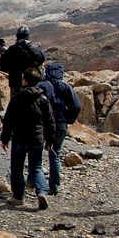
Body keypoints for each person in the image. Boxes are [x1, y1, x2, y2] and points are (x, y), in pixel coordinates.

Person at [1, 68, 56, 210]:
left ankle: (18, 197)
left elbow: (9, 120)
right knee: (36, 167)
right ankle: (42, 192)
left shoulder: (17, 98)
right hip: (37, 138)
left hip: (20, 138)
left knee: (17, 168)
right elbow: (49, 121)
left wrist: (5, 138)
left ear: (24, 80)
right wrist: (50, 139)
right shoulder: (43, 99)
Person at [36, 62, 82, 195]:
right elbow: (77, 106)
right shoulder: (66, 87)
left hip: (42, 123)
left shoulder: (42, 86)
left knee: (37, 152)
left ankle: (36, 183)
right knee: (55, 154)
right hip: (60, 123)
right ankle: (54, 186)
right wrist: (68, 119)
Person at [1, 26, 46, 96]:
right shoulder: (35, 48)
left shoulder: (10, 50)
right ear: (28, 35)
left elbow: (3, 65)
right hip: (33, 81)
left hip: (15, 82)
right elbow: (42, 59)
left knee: (16, 103)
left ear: (17, 36)